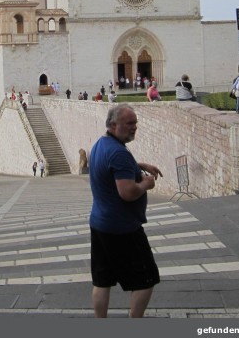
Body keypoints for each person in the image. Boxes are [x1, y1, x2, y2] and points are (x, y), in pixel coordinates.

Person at [88, 104, 163, 318]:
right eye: (129, 123)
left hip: (100, 224)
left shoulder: (101, 144)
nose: (134, 127)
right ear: (113, 125)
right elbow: (128, 192)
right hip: (122, 229)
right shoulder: (118, 153)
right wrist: (145, 185)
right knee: (146, 279)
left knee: (102, 281)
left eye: (135, 123)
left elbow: (112, 166)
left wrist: (139, 164)